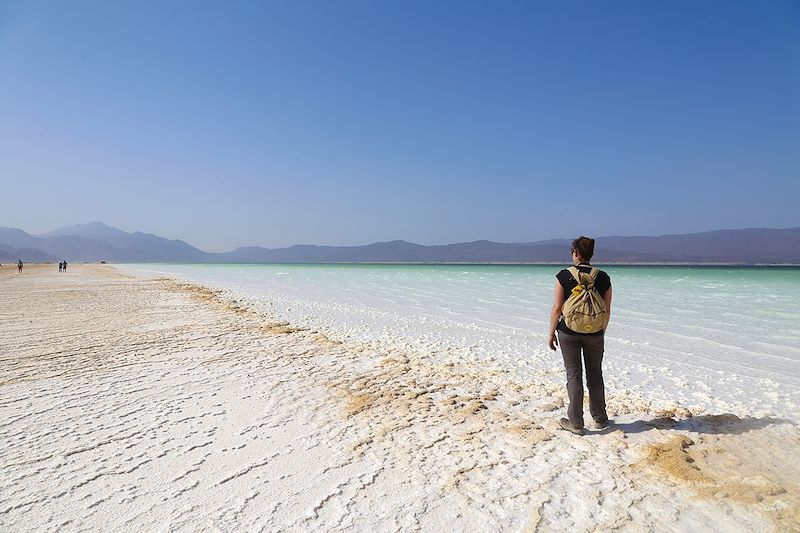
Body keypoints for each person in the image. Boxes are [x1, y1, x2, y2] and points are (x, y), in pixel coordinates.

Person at [547, 236, 613, 435]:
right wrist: (600, 331)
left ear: (575, 253)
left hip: (568, 332)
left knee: (574, 374)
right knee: (595, 374)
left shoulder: (563, 276)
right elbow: (607, 310)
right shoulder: (603, 277)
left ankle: (576, 422)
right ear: (591, 254)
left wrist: (551, 332)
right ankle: (600, 419)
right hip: (595, 333)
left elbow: (557, 308)